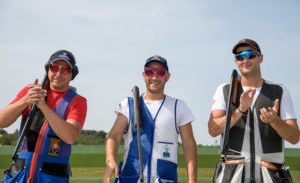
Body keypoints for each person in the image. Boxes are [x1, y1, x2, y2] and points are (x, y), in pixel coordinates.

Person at [208, 39, 300, 182]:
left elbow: (294, 137)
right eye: (240, 56)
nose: (245, 60)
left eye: (250, 54)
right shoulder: (224, 90)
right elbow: (213, 129)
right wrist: (240, 110)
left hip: (270, 175)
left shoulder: (280, 91)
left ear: (260, 58)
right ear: (235, 61)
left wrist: (274, 121)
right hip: (232, 176)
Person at [104, 55, 197, 183]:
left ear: (167, 77)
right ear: (144, 75)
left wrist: (192, 179)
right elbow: (114, 135)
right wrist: (110, 159)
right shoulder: (128, 104)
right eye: (149, 72)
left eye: (160, 73)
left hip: (164, 179)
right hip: (130, 178)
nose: (154, 77)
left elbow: (189, 144)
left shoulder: (178, 106)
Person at [0, 50, 87, 183]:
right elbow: (2, 121)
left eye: (65, 70)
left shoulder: (78, 101)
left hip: (51, 177)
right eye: (54, 67)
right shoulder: (30, 91)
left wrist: (44, 107)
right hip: (19, 174)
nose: (58, 73)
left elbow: (70, 136)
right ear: (48, 69)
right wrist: (25, 101)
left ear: (72, 74)